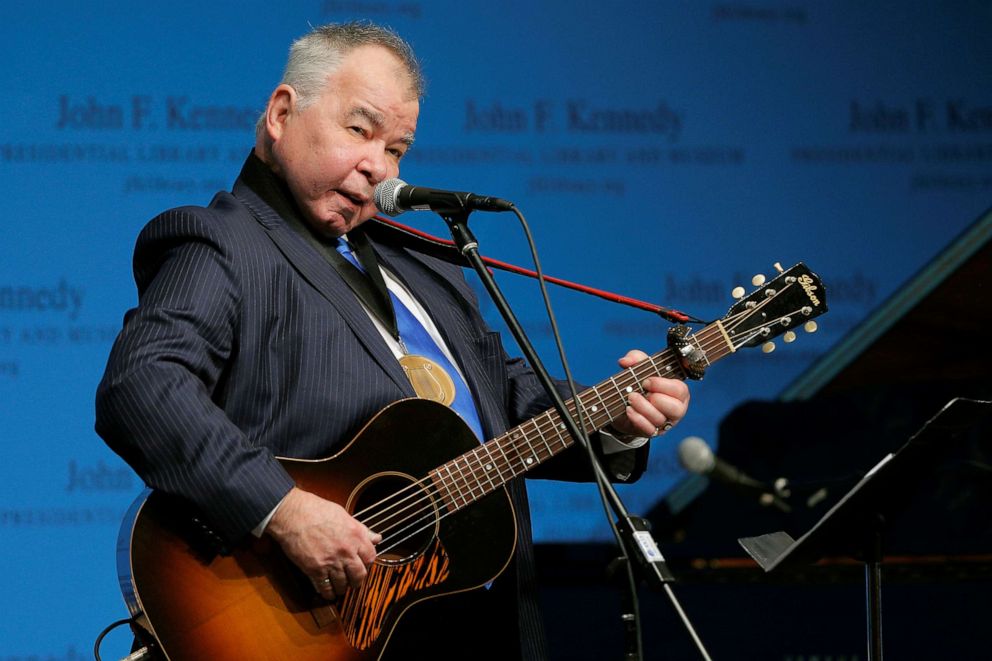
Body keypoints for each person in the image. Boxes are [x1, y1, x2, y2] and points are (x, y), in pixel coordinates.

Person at [95, 21, 690, 661]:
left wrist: (619, 421)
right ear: (281, 114)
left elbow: (504, 403)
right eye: (360, 129)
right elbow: (143, 386)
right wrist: (283, 509)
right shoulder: (223, 244)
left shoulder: (430, 267)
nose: (378, 166)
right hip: (314, 628)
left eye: (398, 149)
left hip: (479, 626)